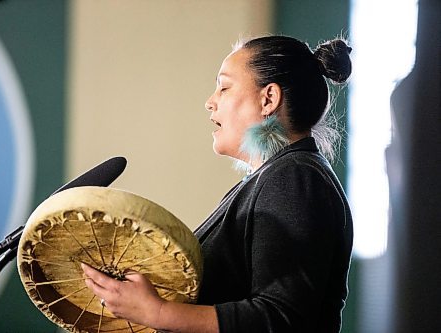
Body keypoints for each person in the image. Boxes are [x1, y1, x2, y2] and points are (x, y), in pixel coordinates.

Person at [81, 34, 354, 333]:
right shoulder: (275, 177)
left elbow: (281, 319)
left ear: (268, 99)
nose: (210, 102)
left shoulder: (296, 178)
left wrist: (157, 312)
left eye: (224, 87)